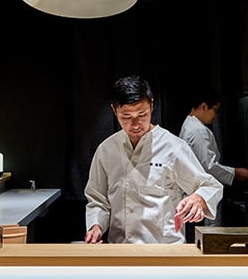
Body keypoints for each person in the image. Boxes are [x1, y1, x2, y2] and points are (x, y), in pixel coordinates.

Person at [84, 75, 223, 244]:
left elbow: (211, 186)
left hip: (165, 251)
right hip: (121, 250)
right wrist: (96, 226)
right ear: (114, 110)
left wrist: (199, 198)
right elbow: (98, 199)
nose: (135, 124)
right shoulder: (107, 150)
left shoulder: (173, 147)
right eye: (126, 117)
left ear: (151, 104)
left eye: (142, 114)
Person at [179, 87, 248, 227]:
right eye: (215, 110)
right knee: (210, 232)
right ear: (204, 106)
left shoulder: (189, 125)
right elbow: (208, 166)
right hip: (201, 193)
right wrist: (235, 172)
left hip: (195, 192)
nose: (215, 115)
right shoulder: (198, 131)